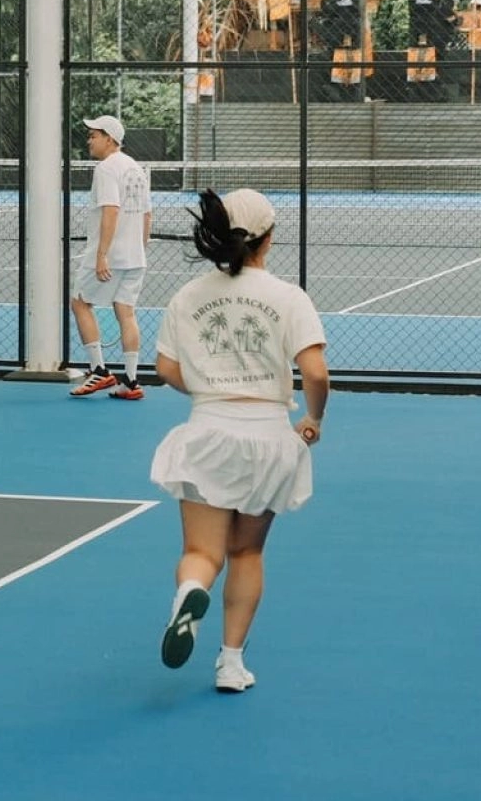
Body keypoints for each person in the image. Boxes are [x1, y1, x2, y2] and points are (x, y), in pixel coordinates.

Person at [150, 188, 329, 694]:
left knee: (202, 552)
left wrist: (208, 389)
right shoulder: (289, 297)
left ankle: (190, 591)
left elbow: (165, 367)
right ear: (268, 239)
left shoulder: (188, 295)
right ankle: (230, 664)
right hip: (269, 437)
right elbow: (315, 372)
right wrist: (314, 418)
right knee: (247, 553)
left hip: (208, 432)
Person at [69, 114, 153, 400]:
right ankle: (130, 381)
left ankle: (99, 371)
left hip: (109, 256)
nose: (89, 140)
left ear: (109, 138)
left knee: (80, 303)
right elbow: (147, 214)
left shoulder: (106, 169)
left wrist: (102, 255)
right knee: (126, 313)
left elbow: (111, 210)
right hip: (134, 257)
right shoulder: (136, 169)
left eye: (94, 135)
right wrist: (139, 247)